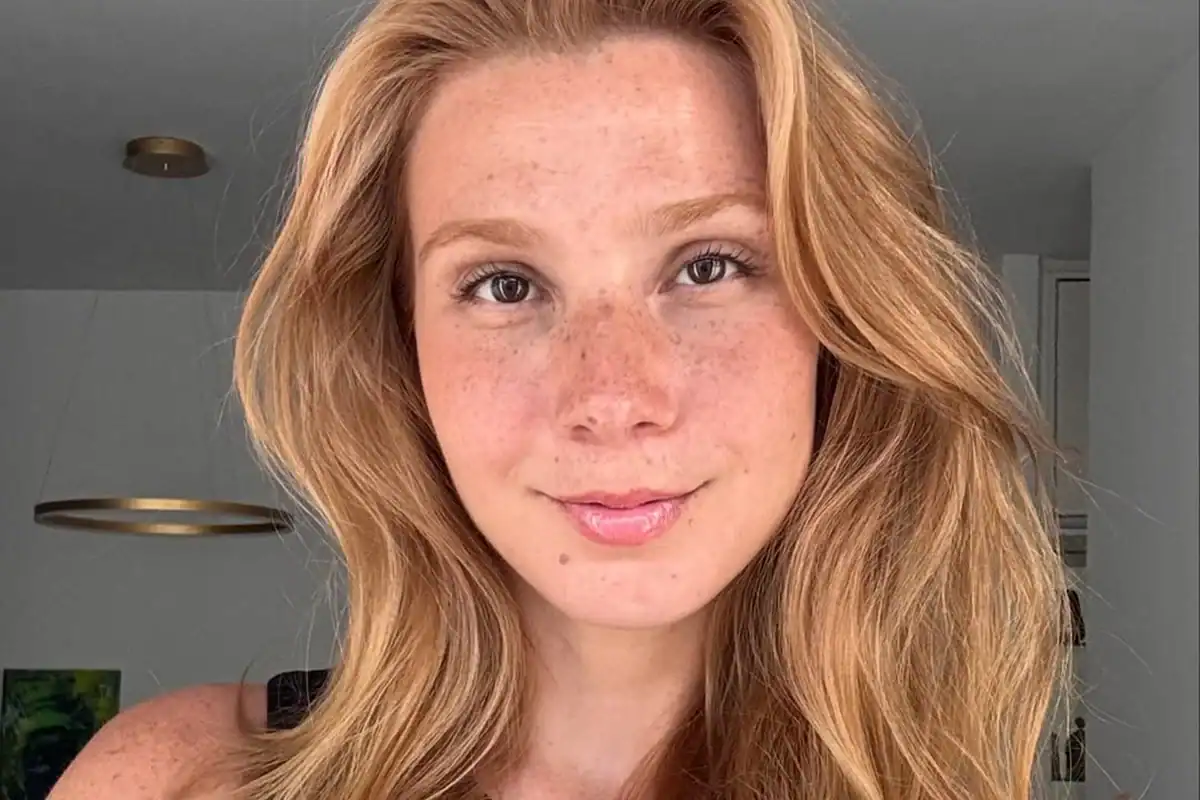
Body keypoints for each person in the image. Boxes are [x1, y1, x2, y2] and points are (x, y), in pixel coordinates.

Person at [49, 0, 1070, 797]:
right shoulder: (170, 779)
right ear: (399, 350)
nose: (612, 397)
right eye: (505, 285)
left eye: (708, 266)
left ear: (839, 321)